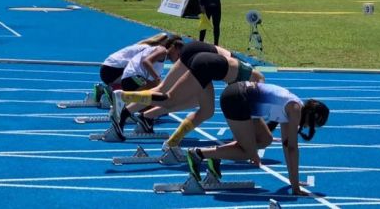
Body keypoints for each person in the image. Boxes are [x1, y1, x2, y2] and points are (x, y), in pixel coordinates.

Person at [186, 81, 329, 196]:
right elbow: (292, 148)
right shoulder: (295, 109)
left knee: (265, 139)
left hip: (241, 97)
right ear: (312, 117)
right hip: (237, 98)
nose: (306, 127)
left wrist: (294, 183)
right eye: (313, 125)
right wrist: (295, 186)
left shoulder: (294, 108)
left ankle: (216, 155)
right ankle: (198, 154)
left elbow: (287, 146)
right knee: (248, 152)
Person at [110, 41, 264, 145]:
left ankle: (146, 116)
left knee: (203, 107)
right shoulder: (254, 81)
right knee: (168, 95)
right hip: (202, 57)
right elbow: (243, 113)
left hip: (200, 56)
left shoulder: (249, 78)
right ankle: (124, 105)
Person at [94, 33, 183, 103]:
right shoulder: (154, 49)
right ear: (172, 46)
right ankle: (114, 92)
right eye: (179, 52)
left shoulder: (150, 48)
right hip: (112, 70)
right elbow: (141, 64)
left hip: (109, 69)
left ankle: (107, 90)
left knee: (149, 84)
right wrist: (157, 80)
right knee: (149, 85)